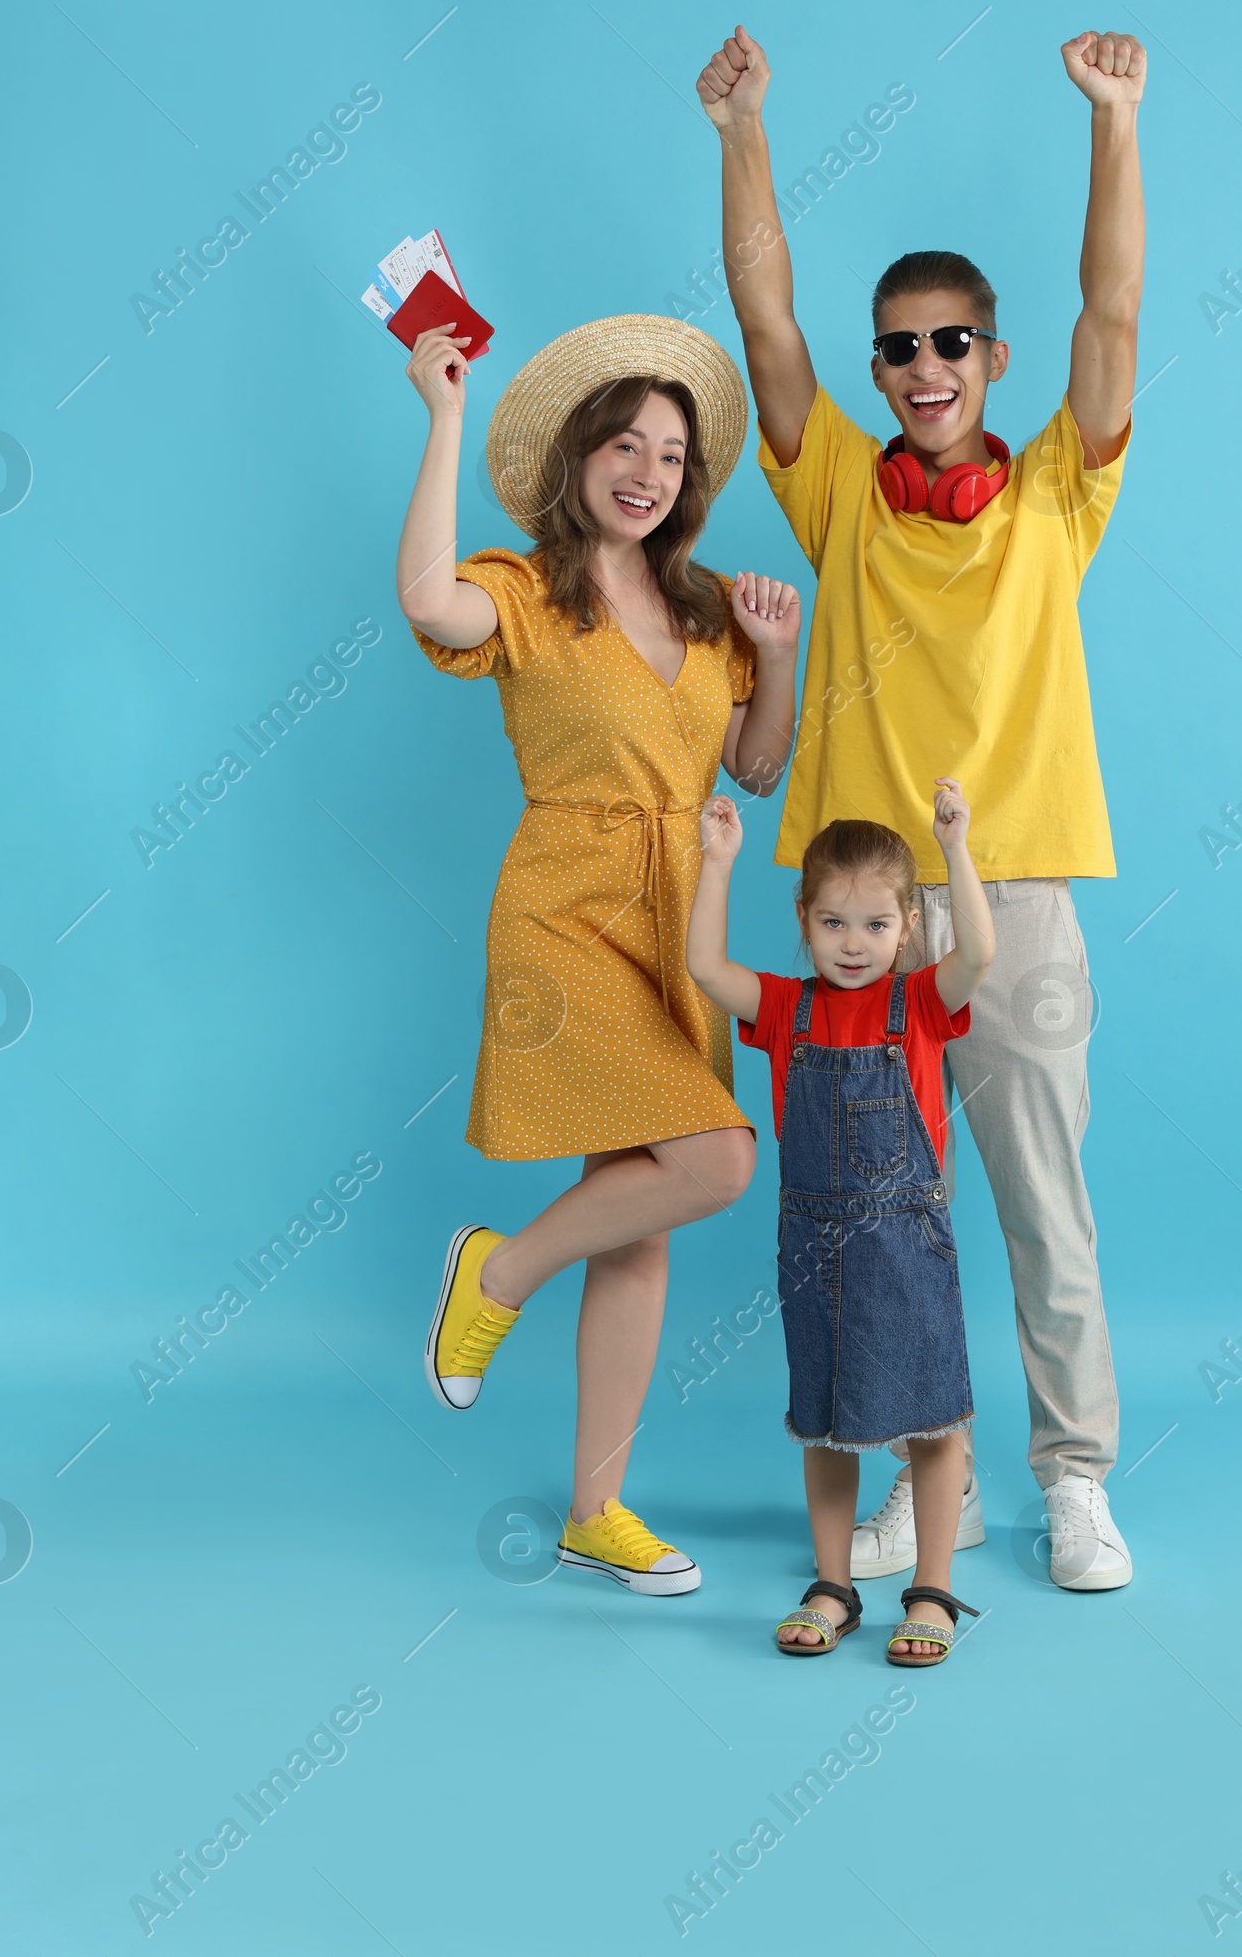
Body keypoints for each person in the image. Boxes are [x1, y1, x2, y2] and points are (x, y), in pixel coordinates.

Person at [696, 22, 1145, 1591]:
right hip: (863, 927)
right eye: (899, 347)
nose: (924, 367)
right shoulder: (835, 493)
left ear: (992, 359)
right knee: (888, 1217)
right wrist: (745, 131)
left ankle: (1076, 1478)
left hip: (1011, 901)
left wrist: (1114, 121)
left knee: (1039, 1203)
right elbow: (763, 317)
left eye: (952, 342)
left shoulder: (1052, 495)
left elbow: (1114, 309)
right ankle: (912, 1477)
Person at [399, 309, 800, 1595]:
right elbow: (423, 601)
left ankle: (595, 1509)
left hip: (680, 921)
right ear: (576, 456)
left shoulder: (701, 605)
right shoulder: (522, 590)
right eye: (624, 443)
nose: (647, 470)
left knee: (644, 1222)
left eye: (672, 455)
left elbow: (756, 763)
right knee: (718, 1160)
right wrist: (444, 412)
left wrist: (779, 658)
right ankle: (496, 1270)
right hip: (564, 910)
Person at [687, 778, 994, 1663]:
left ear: (906, 927)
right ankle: (834, 1584)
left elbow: (982, 950)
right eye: (832, 924)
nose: (853, 945)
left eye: (874, 926)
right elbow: (707, 969)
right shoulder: (789, 1008)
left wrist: (957, 849)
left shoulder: (927, 1003)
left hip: (906, 1244)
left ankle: (931, 1590)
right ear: (802, 917)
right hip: (813, 1248)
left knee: (933, 1422)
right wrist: (718, 863)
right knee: (824, 1421)